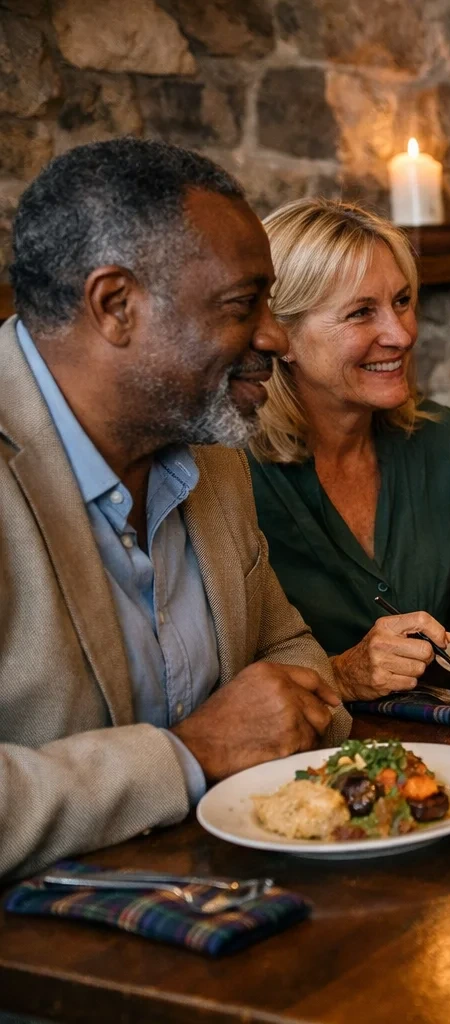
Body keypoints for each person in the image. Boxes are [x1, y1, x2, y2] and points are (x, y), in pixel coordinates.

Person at [0, 138, 348, 879]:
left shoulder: (209, 445)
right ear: (115, 305)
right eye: (241, 304)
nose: (276, 337)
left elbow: (289, 651)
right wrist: (188, 755)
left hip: (224, 898)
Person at [245, 199, 450, 700]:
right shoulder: (229, 473)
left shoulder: (438, 438)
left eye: (402, 301)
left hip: (445, 745)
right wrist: (340, 673)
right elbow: (222, 681)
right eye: (362, 312)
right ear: (281, 336)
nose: (401, 334)